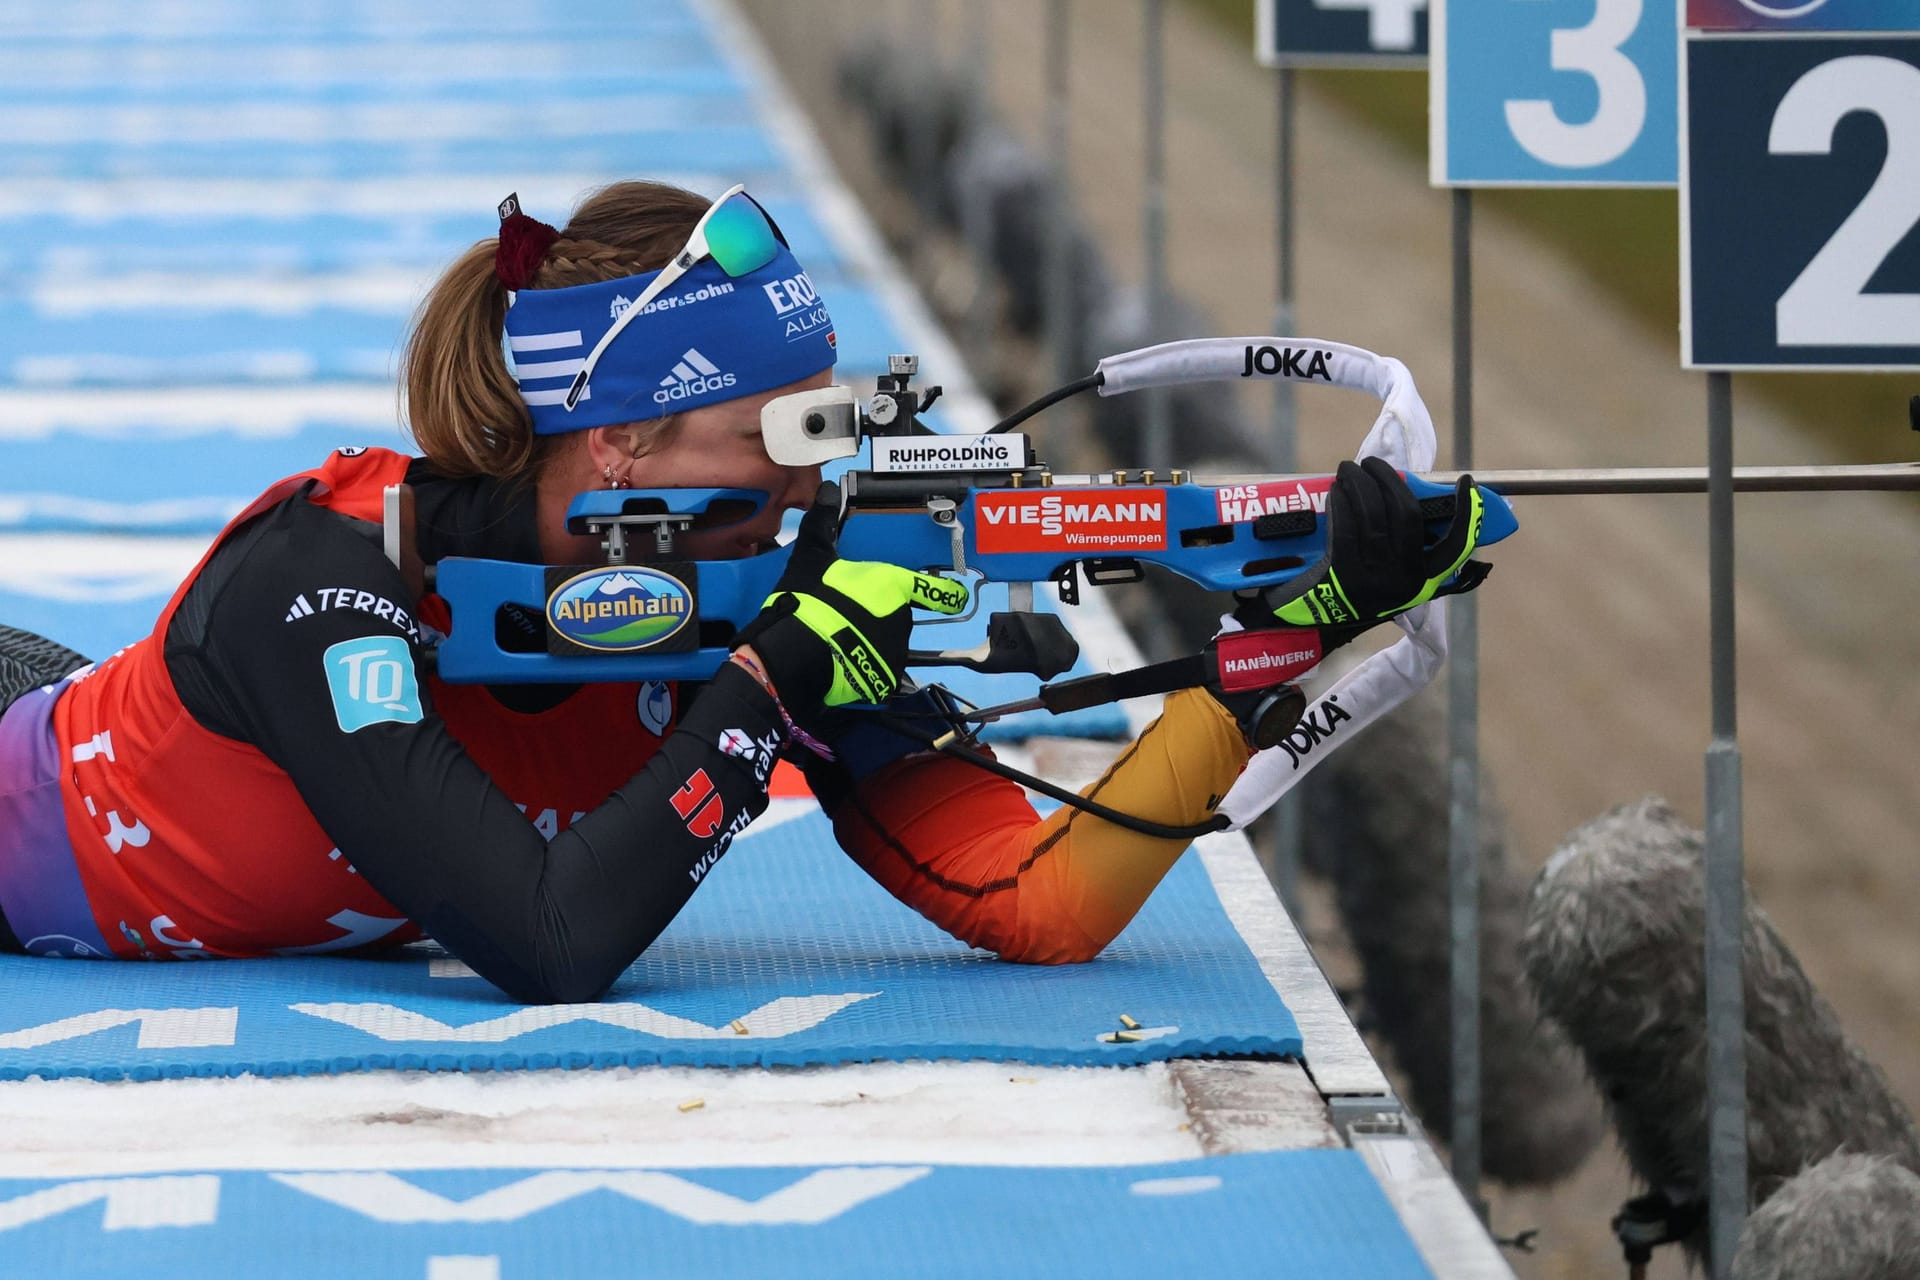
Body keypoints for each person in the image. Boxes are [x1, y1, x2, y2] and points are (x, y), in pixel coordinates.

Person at [0, 180, 1484, 1003]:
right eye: (781, 433)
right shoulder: (322, 581)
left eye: (834, 427)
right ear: (623, 438)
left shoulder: (760, 593)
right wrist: (775, 680)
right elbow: (549, 940)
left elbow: (1045, 903)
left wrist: (1276, 646)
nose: (812, 478)